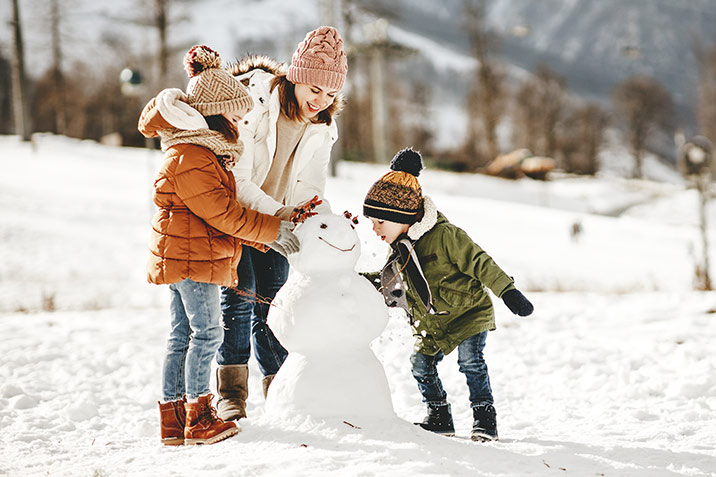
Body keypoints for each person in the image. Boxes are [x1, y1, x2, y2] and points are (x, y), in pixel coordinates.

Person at [137, 45, 300, 445]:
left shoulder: (199, 152)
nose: (240, 124)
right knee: (207, 333)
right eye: (235, 116)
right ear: (214, 113)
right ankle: (199, 416)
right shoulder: (193, 155)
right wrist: (272, 229)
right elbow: (223, 212)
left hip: (189, 255)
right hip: (194, 258)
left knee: (182, 335)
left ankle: (174, 424)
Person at [214, 26, 348, 421]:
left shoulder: (323, 126)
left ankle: (281, 388)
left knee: (274, 305)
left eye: (330, 94)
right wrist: (278, 214)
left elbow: (310, 185)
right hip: (237, 215)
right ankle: (232, 393)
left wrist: (326, 222)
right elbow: (238, 177)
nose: (320, 101)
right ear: (296, 77)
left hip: (278, 223)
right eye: (314, 89)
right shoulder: (255, 103)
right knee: (240, 297)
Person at [361, 147, 534, 442]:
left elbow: (480, 262)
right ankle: (439, 416)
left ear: (402, 216)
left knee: (470, 362)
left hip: (468, 313)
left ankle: (484, 419)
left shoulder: (445, 236)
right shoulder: (400, 248)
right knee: (420, 363)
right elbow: (389, 282)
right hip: (432, 322)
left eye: (380, 221)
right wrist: (353, 284)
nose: (374, 227)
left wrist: (508, 291)